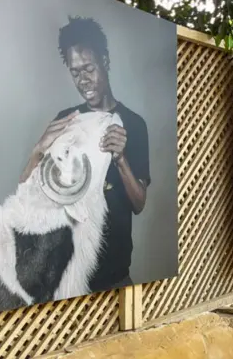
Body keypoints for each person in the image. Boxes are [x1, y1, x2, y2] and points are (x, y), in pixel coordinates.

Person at [19, 16, 150, 293]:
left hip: (116, 277)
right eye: (75, 71)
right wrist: (37, 151)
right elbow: (26, 195)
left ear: (105, 61)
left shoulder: (134, 124)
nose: (83, 79)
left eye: (88, 68)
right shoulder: (66, 120)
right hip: (65, 278)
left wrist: (121, 159)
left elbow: (139, 204)